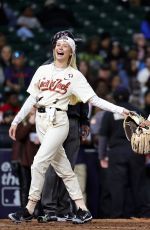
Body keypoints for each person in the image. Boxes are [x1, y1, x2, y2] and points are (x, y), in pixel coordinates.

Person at [8, 30, 129, 224]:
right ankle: (82, 209)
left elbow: (94, 100)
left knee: (39, 162)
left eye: (65, 44)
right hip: (41, 121)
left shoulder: (74, 75)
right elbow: (31, 98)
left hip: (59, 120)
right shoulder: (42, 70)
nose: (60, 46)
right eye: (58, 43)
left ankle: (30, 207)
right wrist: (16, 120)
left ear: (71, 51)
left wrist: (121, 110)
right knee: (64, 169)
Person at [98, 86, 150, 218]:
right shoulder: (138, 111)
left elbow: (103, 136)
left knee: (117, 186)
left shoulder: (109, 113)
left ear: (114, 98)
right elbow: (147, 133)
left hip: (116, 153)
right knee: (139, 184)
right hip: (136, 152)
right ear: (129, 96)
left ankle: (117, 216)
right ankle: (144, 214)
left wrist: (102, 156)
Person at [38, 102, 89, 222]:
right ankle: (50, 210)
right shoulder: (53, 82)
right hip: (55, 118)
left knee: (68, 169)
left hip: (73, 120)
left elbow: (83, 97)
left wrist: (84, 121)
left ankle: (63, 210)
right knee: (53, 166)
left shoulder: (78, 81)